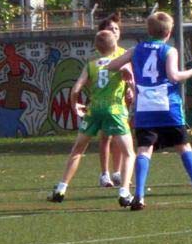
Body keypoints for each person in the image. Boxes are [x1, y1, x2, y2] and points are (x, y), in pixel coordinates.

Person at [106, 12, 192, 210]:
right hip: (167, 106)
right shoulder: (169, 50)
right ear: (169, 31)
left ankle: (139, 195)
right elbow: (173, 76)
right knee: (183, 146)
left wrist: (125, 71)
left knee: (144, 150)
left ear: (148, 30)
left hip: (145, 108)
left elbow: (112, 65)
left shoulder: (136, 49)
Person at [48, 30, 136, 206]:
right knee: (129, 153)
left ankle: (61, 188)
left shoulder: (91, 65)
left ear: (96, 47)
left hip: (93, 110)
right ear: (115, 45)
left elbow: (75, 89)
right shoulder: (120, 62)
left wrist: (75, 106)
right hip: (114, 110)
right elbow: (130, 80)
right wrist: (131, 88)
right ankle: (124, 192)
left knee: (78, 150)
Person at [96, 13, 128, 188]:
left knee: (119, 136)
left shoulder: (124, 53)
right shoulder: (99, 55)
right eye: (110, 28)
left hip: (119, 102)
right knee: (105, 137)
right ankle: (104, 174)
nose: (114, 31)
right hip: (103, 102)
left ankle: (117, 172)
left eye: (116, 28)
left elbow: (130, 76)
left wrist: (130, 90)